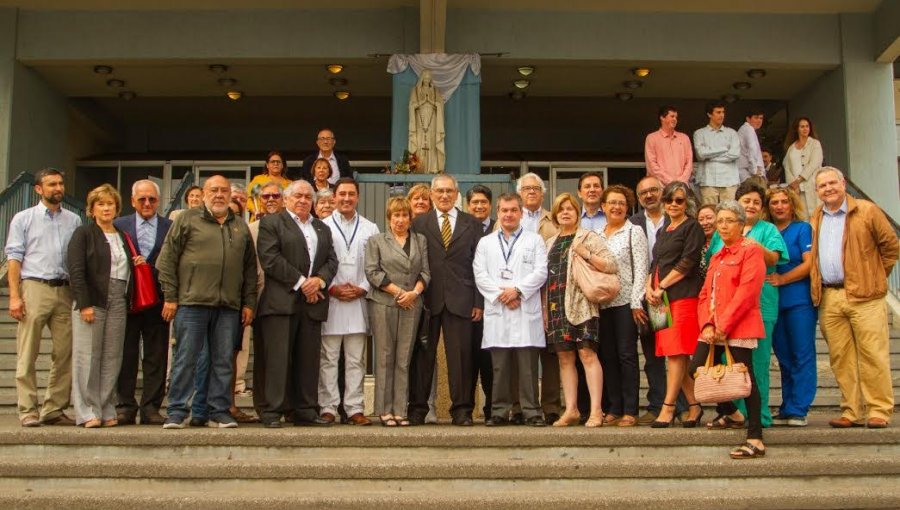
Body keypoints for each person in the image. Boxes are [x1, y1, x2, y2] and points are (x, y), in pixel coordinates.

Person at [156, 175, 258, 429]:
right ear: (204, 193)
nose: (219, 195)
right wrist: (170, 297)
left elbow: (249, 271)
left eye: (224, 190)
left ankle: (218, 410)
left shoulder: (240, 226)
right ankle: (177, 410)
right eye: (214, 190)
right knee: (186, 358)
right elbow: (166, 261)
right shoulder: (186, 220)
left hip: (228, 307)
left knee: (223, 361)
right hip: (191, 303)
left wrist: (249, 303)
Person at [809, 167, 898, 429]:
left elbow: (891, 247)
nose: (828, 189)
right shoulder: (816, 216)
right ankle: (851, 409)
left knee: (873, 354)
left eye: (832, 183)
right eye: (822, 186)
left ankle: (879, 409)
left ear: (843, 183)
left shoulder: (867, 211)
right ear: (817, 191)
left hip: (865, 296)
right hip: (830, 296)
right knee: (840, 357)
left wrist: (875, 275)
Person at [255, 179, 338, 427]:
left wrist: (319, 282)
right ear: (287, 199)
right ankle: (272, 411)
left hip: (313, 303)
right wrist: (303, 282)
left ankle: (305, 409)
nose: (303, 200)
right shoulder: (271, 223)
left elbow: (332, 261)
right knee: (277, 359)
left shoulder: (322, 228)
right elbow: (270, 259)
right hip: (281, 302)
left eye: (307, 197)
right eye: (298, 196)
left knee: (308, 359)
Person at [705, 179, 788, 428]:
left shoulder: (768, 230)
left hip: (759, 307)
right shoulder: (721, 232)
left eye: (756, 202)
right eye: (746, 201)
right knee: (726, 363)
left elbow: (774, 257)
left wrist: (751, 243)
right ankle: (733, 414)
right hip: (724, 311)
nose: (751, 205)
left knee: (757, 364)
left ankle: (759, 416)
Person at [690, 200, 768, 459]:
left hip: (739, 324)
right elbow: (705, 294)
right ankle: (732, 413)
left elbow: (747, 293)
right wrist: (708, 324)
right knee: (696, 369)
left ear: (741, 223)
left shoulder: (751, 250)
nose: (722, 226)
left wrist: (724, 325)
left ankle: (755, 438)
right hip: (713, 327)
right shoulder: (717, 255)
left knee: (745, 380)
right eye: (719, 221)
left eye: (728, 221)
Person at [5, 168, 82, 427]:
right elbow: (14, 258)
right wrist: (15, 296)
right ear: (39, 189)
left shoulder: (73, 220)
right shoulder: (23, 219)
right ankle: (28, 409)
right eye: (51, 184)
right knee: (28, 352)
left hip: (65, 289)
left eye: (60, 183)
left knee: (65, 353)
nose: (58, 188)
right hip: (34, 287)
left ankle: (53, 408)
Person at [408, 174, 483, 426]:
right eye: (439, 191)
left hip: (462, 299)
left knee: (461, 357)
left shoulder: (472, 223)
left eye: (449, 191)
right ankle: (417, 409)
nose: (444, 195)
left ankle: (462, 410)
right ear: (431, 194)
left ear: (456, 194)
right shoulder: (419, 223)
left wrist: (478, 302)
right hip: (428, 300)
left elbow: (479, 265)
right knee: (422, 356)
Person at [475, 193, 549, 426]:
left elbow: (541, 272)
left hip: (525, 310)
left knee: (527, 368)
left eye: (513, 210)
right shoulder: (485, 242)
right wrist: (502, 295)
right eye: (504, 210)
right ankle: (498, 411)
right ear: (498, 212)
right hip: (499, 311)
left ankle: (531, 412)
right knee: (500, 367)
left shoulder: (534, 240)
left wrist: (516, 290)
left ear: (521, 213)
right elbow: (480, 274)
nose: (508, 214)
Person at [543, 193, 617, 428]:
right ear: (555, 215)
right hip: (556, 306)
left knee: (587, 354)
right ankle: (572, 409)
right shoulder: (550, 242)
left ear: (577, 213)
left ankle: (596, 410)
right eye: (561, 209)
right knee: (565, 358)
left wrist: (586, 254)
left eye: (570, 209)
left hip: (582, 305)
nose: (565, 212)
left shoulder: (588, 237)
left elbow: (611, 265)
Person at [68, 184, 134, 428]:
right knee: (87, 356)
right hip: (93, 297)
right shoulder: (83, 234)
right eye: (101, 204)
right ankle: (87, 411)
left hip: (119, 297)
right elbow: (76, 270)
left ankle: (106, 408)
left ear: (117, 208)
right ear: (92, 209)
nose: (106, 208)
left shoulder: (123, 235)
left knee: (112, 356)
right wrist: (83, 303)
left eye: (110, 204)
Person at [319, 178, 379, 426]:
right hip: (331, 300)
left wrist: (363, 288)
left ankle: (355, 408)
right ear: (334, 197)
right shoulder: (321, 226)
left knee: (356, 360)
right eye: (341, 194)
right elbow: (316, 262)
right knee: (328, 358)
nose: (346, 198)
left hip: (358, 301)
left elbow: (376, 263)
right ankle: (328, 407)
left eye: (351, 194)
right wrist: (330, 288)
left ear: (358, 197)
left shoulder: (370, 228)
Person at [645, 181, 705, 428]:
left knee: (677, 353)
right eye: (669, 200)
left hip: (681, 295)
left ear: (687, 202)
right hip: (660, 300)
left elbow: (688, 262)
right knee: (671, 352)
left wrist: (661, 287)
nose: (673, 205)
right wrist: (649, 287)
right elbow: (656, 262)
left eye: (679, 200)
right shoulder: (664, 230)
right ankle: (695, 405)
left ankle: (668, 407)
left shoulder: (693, 227)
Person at [365, 197, 430, 427]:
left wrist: (413, 293)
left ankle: (400, 410)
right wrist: (398, 292)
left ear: (410, 219)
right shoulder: (376, 241)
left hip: (412, 303)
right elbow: (372, 272)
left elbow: (425, 272)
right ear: (389, 219)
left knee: (404, 359)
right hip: (384, 303)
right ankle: (384, 410)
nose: (400, 220)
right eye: (396, 216)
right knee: (385, 357)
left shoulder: (420, 240)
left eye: (404, 216)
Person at [115, 180, 172, 426]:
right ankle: (125, 406)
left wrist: (172, 297)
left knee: (156, 356)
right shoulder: (119, 226)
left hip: (159, 300)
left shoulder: (170, 226)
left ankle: (151, 407)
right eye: (142, 199)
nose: (147, 203)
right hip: (127, 300)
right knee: (126, 355)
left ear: (158, 201)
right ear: (132, 201)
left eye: (152, 199)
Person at [629, 176, 685, 425]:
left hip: (675, 294)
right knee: (652, 354)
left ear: (662, 193)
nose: (649, 195)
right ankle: (657, 403)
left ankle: (682, 405)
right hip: (648, 297)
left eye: (653, 190)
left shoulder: (678, 220)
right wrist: (641, 295)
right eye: (643, 193)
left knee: (677, 352)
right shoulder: (633, 222)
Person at [765, 186, 816, 426]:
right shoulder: (768, 231)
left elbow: (809, 264)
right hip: (774, 303)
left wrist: (783, 279)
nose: (779, 206)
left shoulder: (802, 229)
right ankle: (787, 405)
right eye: (774, 202)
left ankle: (799, 407)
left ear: (792, 204)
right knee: (784, 356)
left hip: (799, 301)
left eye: (784, 201)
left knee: (801, 354)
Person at [598, 185, 648, 427]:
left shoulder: (634, 232)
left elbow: (641, 269)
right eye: (612, 203)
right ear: (603, 207)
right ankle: (614, 407)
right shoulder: (596, 234)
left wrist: (637, 301)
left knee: (627, 355)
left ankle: (630, 409)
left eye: (621, 203)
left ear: (627, 207)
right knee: (607, 356)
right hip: (602, 304)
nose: (616, 207)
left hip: (627, 303)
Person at [515, 172, 562, 424]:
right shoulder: (509, 218)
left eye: (536, 188)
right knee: (521, 353)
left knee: (550, 354)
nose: (531, 192)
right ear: (519, 193)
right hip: (517, 298)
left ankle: (551, 407)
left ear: (543, 194)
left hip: (549, 295)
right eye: (526, 188)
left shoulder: (553, 220)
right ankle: (522, 406)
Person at [247, 182, 285, 417]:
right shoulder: (251, 229)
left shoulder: (292, 227)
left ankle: (283, 405)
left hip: (288, 297)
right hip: (260, 297)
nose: (270, 199)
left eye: (275, 195)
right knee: (262, 355)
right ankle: (262, 406)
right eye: (266, 196)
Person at [466, 185, 495, 420]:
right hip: (468, 307)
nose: (479, 206)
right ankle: (466, 408)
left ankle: (492, 409)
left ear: (490, 205)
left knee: (491, 360)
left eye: (483, 202)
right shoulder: (462, 228)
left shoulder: (500, 228)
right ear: (467, 205)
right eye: (474, 202)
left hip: (498, 306)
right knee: (469, 358)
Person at [694, 101, 741, 204]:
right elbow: (701, 155)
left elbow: (734, 154)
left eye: (723, 112)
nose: (722, 115)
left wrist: (710, 157)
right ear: (709, 114)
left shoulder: (732, 133)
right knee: (709, 214)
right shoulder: (699, 133)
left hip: (730, 181)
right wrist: (724, 149)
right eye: (718, 112)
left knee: (729, 213)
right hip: (708, 180)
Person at [783, 117, 823, 216]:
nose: (805, 129)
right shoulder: (791, 148)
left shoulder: (815, 144)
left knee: (815, 215)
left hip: (812, 185)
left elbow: (814, 163)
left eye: (807, 126)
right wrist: (792, 184)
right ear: (797, 129)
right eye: (802, 127)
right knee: (800, 216)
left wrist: (799, 180)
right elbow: (786, 166)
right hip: (796, 189)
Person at [644, 105, 693, 186]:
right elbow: (652, 166)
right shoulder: (651, 138)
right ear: (662, 118)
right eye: (672, 116)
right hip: (660, 186)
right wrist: (671, 182)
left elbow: (689, 163)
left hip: (681, 186)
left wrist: (681, 181)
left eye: (676, 117)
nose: (675, 119)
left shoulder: (684, 138)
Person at [408, 70, 446, 174]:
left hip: (432, 121)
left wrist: (431, 102)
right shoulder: (415, 91)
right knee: (420, 142)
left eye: (429, 78)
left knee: (432, 142)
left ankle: (433, 168)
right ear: (422, 79)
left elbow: (440, 105)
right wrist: (422, 102)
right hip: (419, 121)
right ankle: (420, 168)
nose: (427, 80)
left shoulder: (435, 91)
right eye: (425, 78)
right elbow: (411, 106)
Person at [247, 151, 291, 222]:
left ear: (283, 165)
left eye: (278, 162)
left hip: (282, 221)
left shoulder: (290, 184)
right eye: (272, 162)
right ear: (267, 165)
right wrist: (256, 211)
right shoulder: (258, 180)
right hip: (259, 220)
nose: (275, 164)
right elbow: (249, 199)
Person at [737, 109, 766, 184]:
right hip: (749, 175)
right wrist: (754, 170)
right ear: (748, 119)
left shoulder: (744, 129)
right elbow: (752, 150)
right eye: (756, 118)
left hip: (745, 173)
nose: (759, 120)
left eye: (761, 118)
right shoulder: (748, 129)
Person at [696, 204, 717, 281]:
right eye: (701, 219)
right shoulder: (696, 245)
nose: (705, 223)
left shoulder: (727, 243)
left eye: (709, 218)